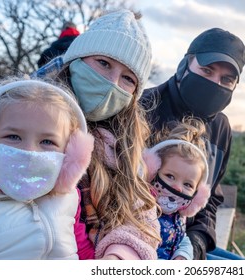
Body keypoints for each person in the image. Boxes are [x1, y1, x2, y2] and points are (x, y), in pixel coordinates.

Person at [33, 9, 160, 260]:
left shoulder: (124, 148)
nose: (112, 83)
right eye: (103, 63)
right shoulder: (21, 117)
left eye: (127, 78)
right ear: (76, 62)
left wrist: (120, 257)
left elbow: (140, 219)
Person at [141, 27, 245, 260]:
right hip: (135, 234)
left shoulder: (220, 128)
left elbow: (209, 200)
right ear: (184, 66)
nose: (214, 83)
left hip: (185, 243)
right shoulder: (145, 108)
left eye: (226, 79)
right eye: (206, 70)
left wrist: (196, 244)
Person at [0, 77, 95, 259]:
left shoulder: (68, 199)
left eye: (47, 141)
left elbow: (82, 249)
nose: (29, 151)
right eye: (13, 136)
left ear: (71, 155)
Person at [143, 118, 211, 260]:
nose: (177, 188)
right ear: (152, 171)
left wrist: (182, 256)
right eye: (170, 176)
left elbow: (183, 240)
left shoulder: (178, 216)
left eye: (188, 185)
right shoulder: (140, 208)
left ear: (197, 195)